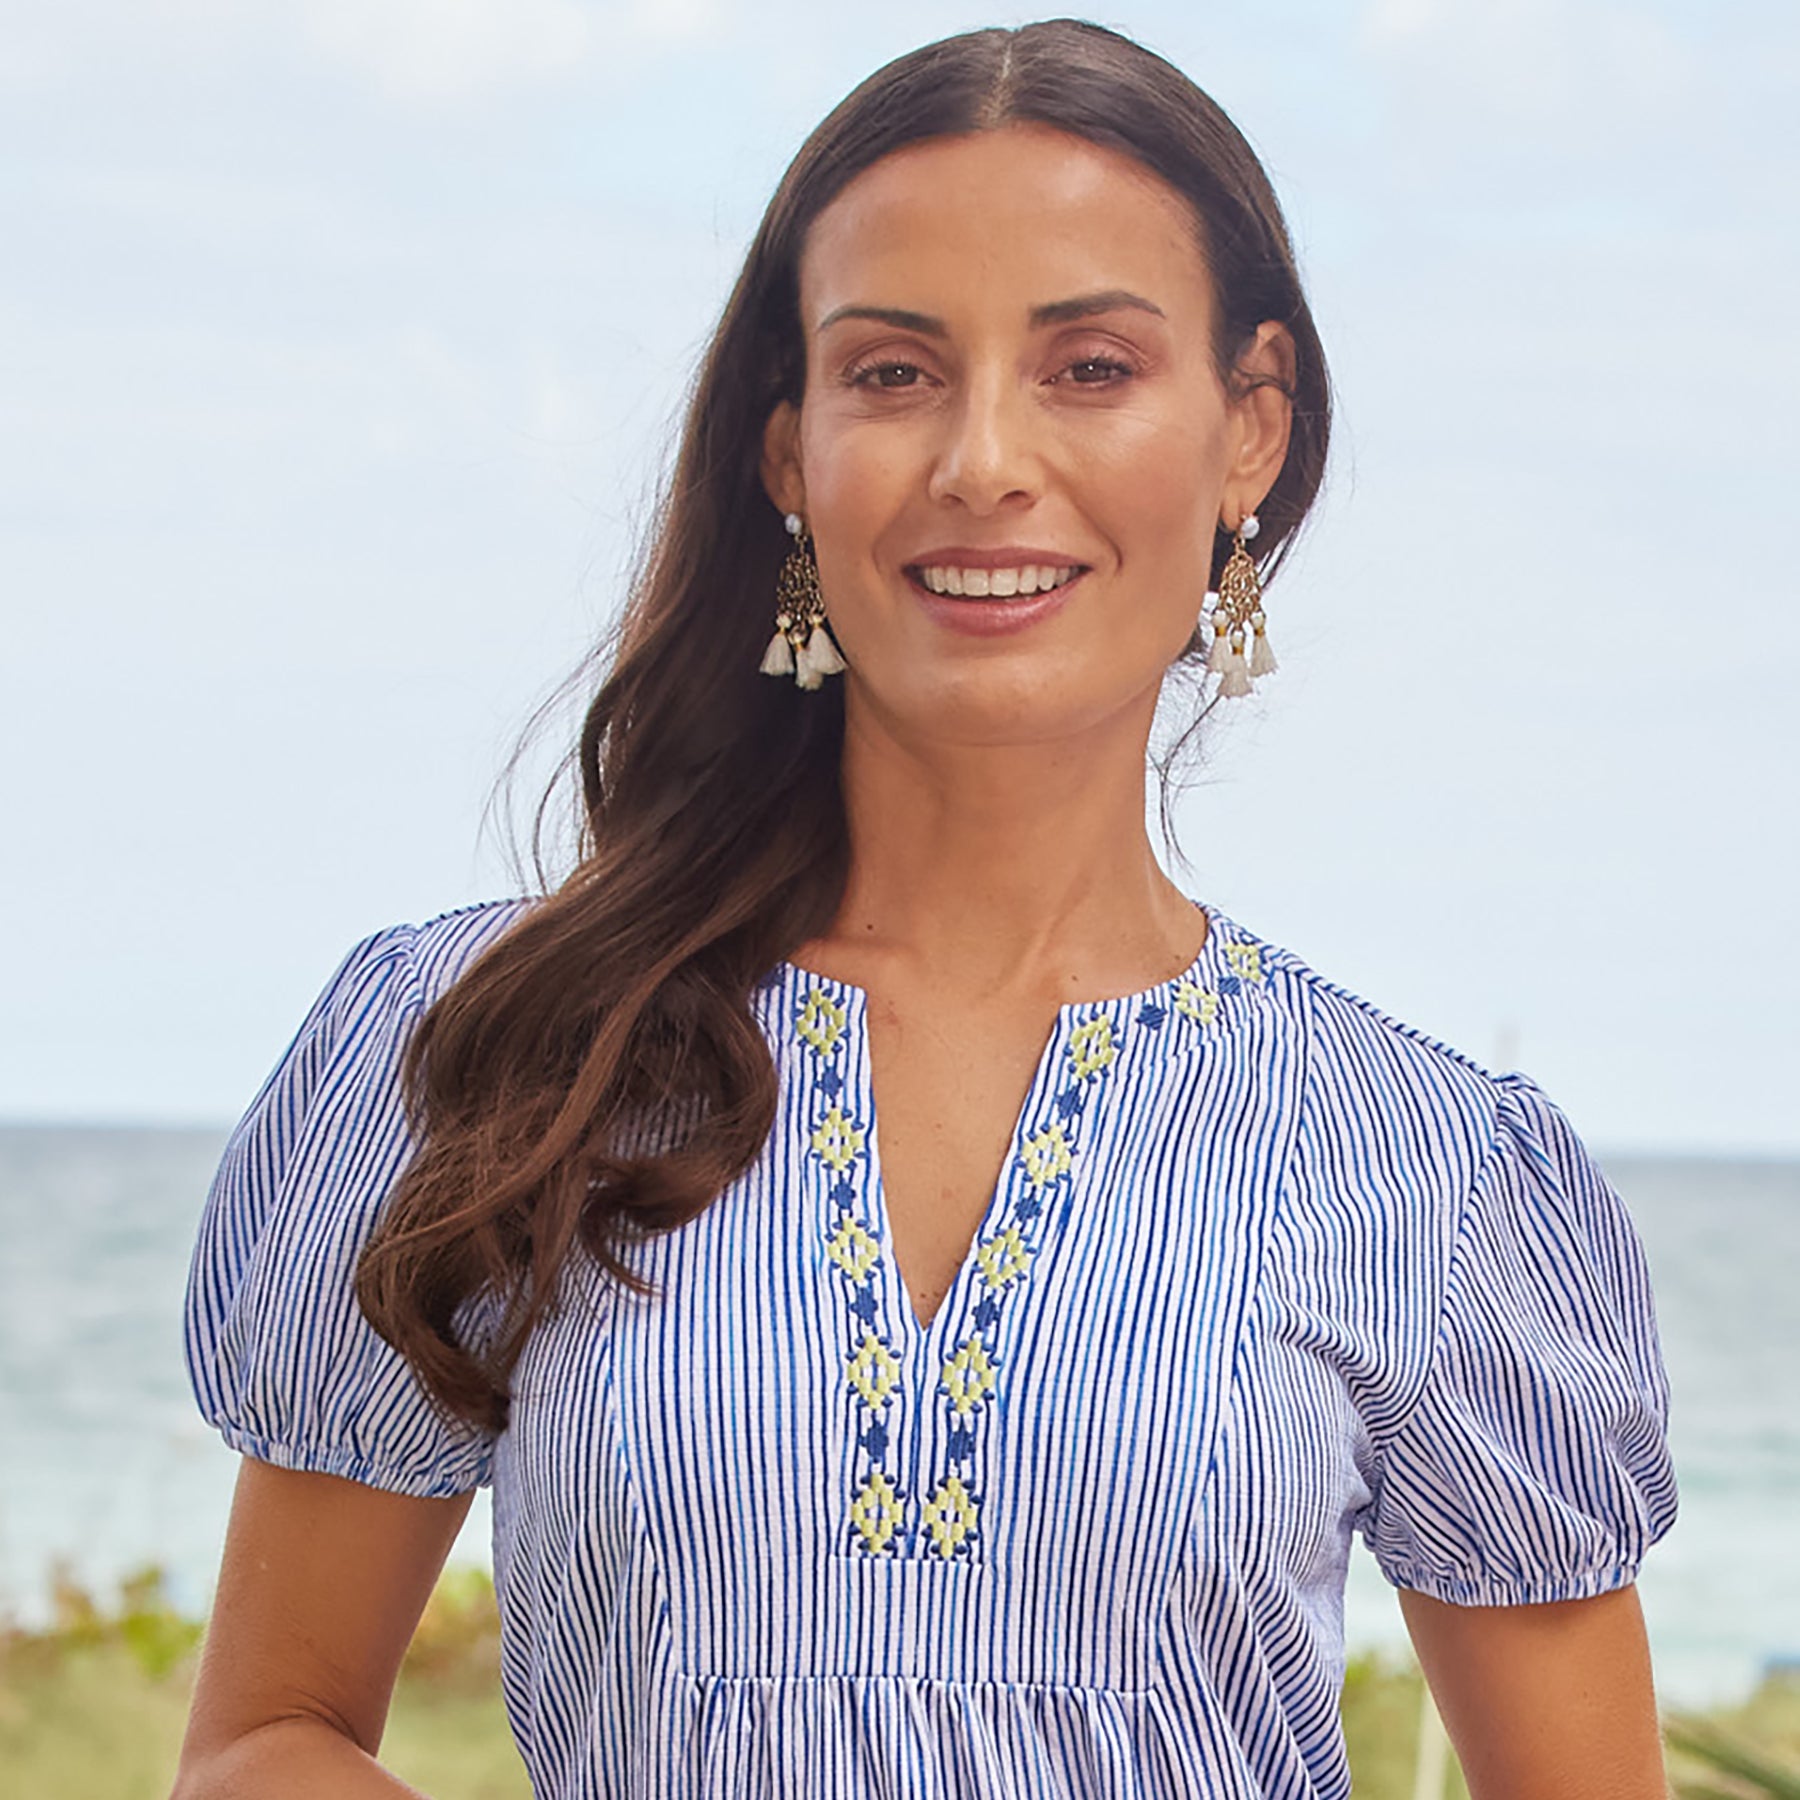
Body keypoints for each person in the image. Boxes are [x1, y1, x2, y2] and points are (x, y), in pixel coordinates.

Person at [171, 19, 1677, 1799]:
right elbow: (270, 1740)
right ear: (790, 451)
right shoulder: (495, 1051)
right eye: (893, 374)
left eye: (1090, 366)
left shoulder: (1424, 1168)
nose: (981, 460)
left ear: (1249, 430)